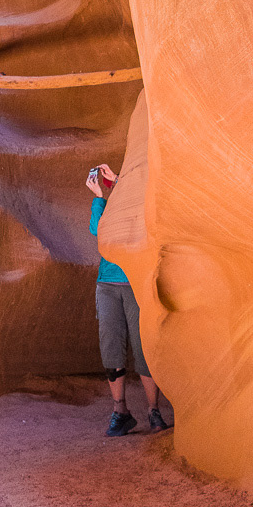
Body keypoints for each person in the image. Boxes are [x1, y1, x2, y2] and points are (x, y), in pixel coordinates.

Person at [88, 163, 168, 436]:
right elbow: (97, 231)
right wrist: (99, 197)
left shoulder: (138, 206)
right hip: (107, 285)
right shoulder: (107, 207)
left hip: (134, 283)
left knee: (142, 345)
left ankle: (153, 410)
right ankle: (120, 411)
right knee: (111, 347)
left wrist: (120, 183)